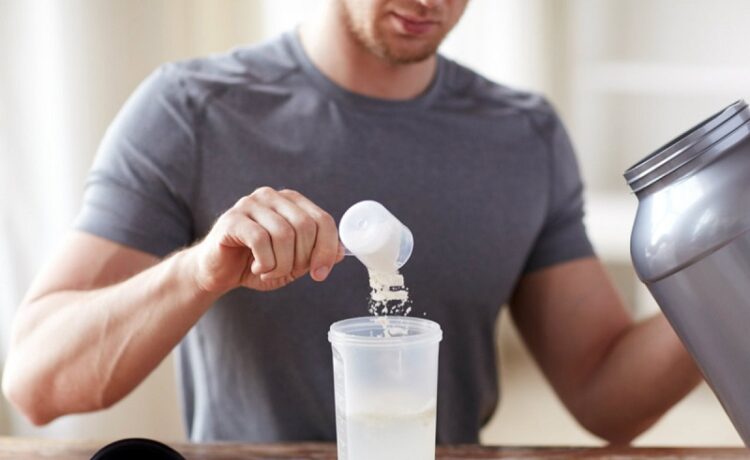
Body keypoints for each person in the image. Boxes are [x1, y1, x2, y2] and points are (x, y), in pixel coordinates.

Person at [2, 0, 701, 444]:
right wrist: (197, 272)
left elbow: (607, 396)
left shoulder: (524, 136)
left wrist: (725, 271)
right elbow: (36, 383)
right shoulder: (192, 111)